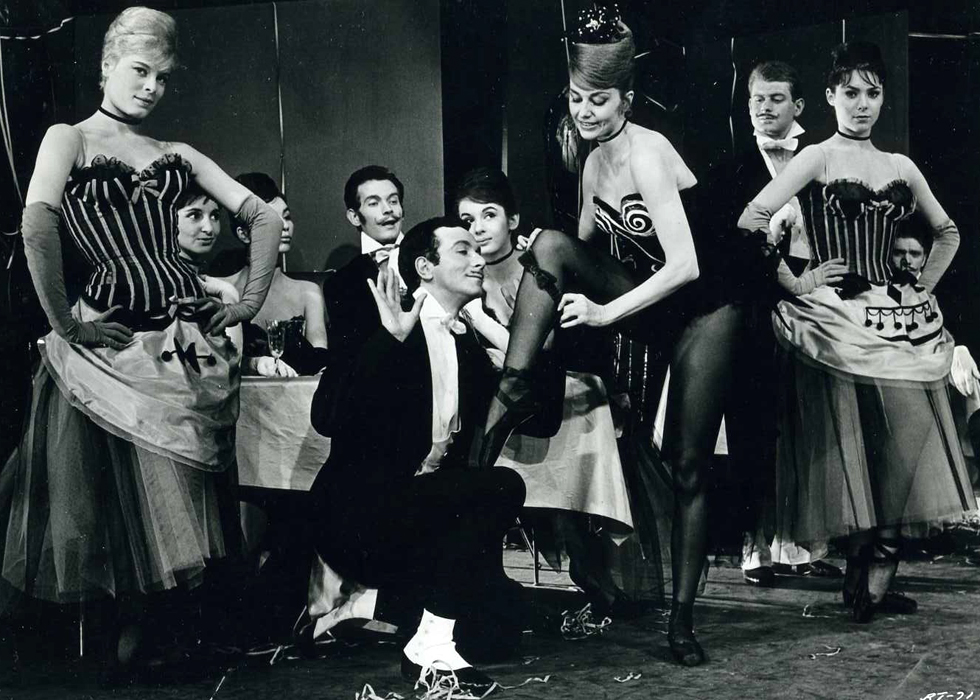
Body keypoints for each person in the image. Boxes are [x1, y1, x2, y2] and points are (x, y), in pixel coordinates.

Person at [0, 6, 282, 678]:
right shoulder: (68, 137)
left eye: (163, 77)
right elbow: (36, 225)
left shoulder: (174, 152)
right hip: (110, 350)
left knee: (181, 503)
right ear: (106, 67)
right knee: (117, 510)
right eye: (140, 71)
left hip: (178, 347)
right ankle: (132, 648)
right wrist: (67, 324)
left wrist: (244, 304)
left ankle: (165, 643)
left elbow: (264, 216)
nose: (152, 86)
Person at [479, 5, 760, 665]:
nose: (585, 111)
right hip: (651, 298)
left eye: (599, 100)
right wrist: (537, 290)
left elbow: (685, 266)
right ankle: (512, 389)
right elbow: (580, 249)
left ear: (626, 100)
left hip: (707, 307)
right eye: (577, 98)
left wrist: (604, 316)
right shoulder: (593, 160)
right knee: (549, 244)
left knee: (687, 465)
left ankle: (681, 622)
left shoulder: (649, 153)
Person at [738, 41, 975, 623]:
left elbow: (948, 233)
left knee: (901, 456)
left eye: (872, 92)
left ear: (883, 98)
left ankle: (873, 581)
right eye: (850, 92)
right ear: (830, 97)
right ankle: (859, 581)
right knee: (855, 456)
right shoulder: (816, 158)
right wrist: (798, 280)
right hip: (837, 324)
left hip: (898, 322)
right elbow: (752, 219)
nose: (862, 104)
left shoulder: (901, 167)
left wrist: (922, 287)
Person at [309, 217, 526, 695]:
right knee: (502, 486)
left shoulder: (466, 340)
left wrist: (495, 330)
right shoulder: (380, 325)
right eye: (463, 250)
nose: (478, 259)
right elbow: (326, 416)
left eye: (477, 251)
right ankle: (427, 643)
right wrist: (388, 341)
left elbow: (541, 416)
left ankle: (375, 607)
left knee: (499, 632)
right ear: (425, 267)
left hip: (424, 511)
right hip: (358, 514)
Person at [729, 61, 843, 587]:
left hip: (817, 303)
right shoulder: (736, 163)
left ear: (798, 106)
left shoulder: (821, 159)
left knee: (810, 426)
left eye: (776, 98)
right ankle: (755, 546)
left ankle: (802, 545)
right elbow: (735, 238)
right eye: (757, 98)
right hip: (758, 302)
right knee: (758, 425)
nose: (764, 107)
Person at [221, 171, 328, 376]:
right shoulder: (222, 290)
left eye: (287, 217)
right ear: (243, 234)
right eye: (271, 219)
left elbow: (319, 365)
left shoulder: (308, 292)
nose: (285, 226)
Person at [322, 165, 406, 361]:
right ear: (354, 216)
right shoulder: (340, 284)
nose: (388, 210)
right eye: (374, 203)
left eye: (393, 201)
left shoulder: (431, 259)